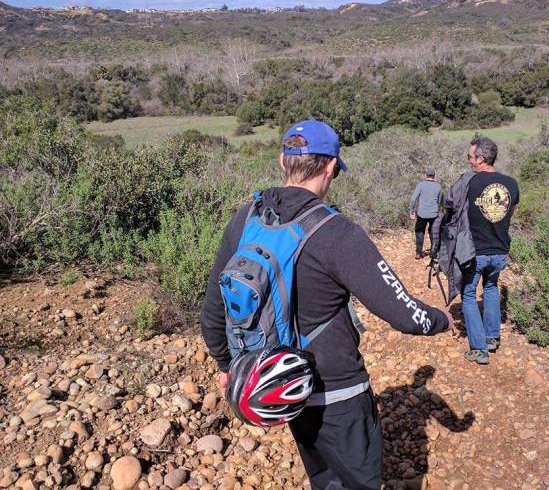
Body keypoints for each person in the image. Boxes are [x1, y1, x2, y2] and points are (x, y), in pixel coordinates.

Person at [200, 119, 453, 490]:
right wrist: (441, 319)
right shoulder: (337, 233)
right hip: (338, 392)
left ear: (282, 161)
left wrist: (227, 364)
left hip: (283, 387)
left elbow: (213, 306)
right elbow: (405, 314)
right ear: (331, 166)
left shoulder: (247, 217)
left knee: (322, 477)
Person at [461, 136, 519, 365]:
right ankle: (492, 337)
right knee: (491, 286)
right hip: (500, 250)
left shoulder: (470, 183)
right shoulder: (512, 184)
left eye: (470, 156)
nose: (469, 160)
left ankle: (478, 348)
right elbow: (510, 212)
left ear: (481, 159)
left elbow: (457, 214)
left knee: (468, 294)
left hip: (476, 251)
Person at [409, 168, 443, 259]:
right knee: (433, 233)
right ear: (434, 176)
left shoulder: (421, 185)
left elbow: (413, 199)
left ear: (425, 175)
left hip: (421, 214)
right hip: (433, 214)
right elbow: (439, 201)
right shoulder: (438, 186)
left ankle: (418, 253)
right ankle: (433, 253)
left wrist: (412, 211)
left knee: (419, 232)